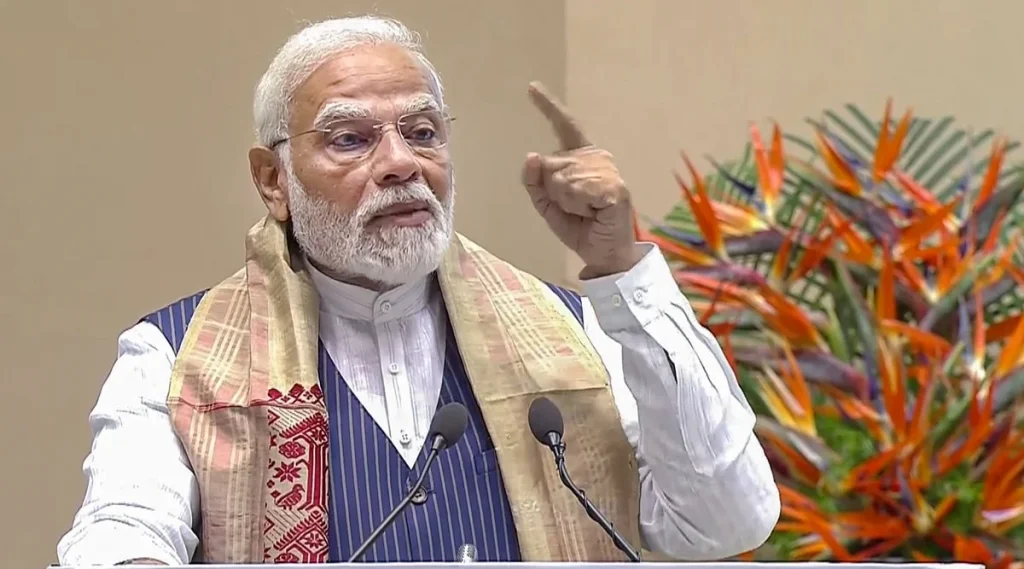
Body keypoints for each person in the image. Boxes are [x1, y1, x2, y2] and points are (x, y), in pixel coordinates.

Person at [56, 16, 779, 567]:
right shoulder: (173, 357)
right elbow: (122, 531)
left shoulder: (574, 333)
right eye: (350, 138)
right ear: (273, 181)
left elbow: (726, 522)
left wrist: (623, 270)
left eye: (423, 131)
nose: (402, 162)